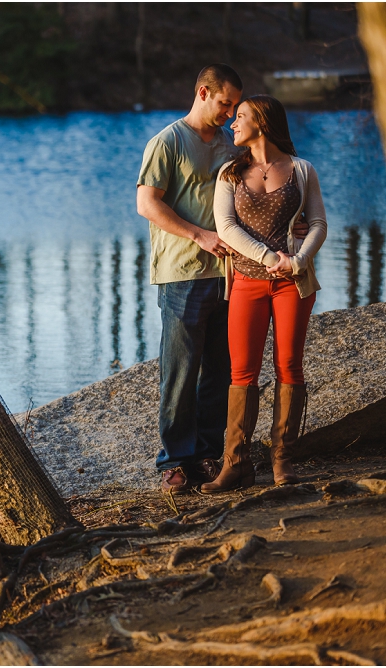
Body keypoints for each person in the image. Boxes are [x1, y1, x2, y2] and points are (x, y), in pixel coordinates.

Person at [201, 95, 327, 493]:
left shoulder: (302, 170)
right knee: (242, 372)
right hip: (247, 283)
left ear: (263, 122)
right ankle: (236, 464)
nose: (232, 123)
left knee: (289, 366)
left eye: (240, 117)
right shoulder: (229, 174)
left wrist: (298, 260)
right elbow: (225, 227)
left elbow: (319, 223)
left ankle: (282, 461)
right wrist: (272, 256)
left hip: (293, 283)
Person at [136, 64, 243, 494]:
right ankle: (174, 462)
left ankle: (206, 456)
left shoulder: (227, 144)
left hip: (228, 275)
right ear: (203, 92)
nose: (231, 113)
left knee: (219, 371)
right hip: (182, 274)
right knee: (180, 371)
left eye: (235, 106)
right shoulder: (168, 142)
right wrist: (200, 235)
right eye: (225, 103)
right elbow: (147, 204)